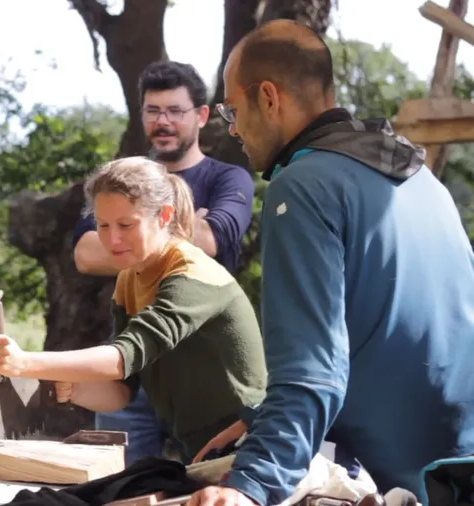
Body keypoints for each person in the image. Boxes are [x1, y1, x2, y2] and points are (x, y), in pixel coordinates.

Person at [187, 19, 474, 506]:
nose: (232, 129)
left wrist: (251, 483)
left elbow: (313, 371)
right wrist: (263, 418)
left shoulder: (302, 186)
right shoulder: (423, 181)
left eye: (232, 110)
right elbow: (387, 331)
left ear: (269, 98)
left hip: (414, 484)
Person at [0, 156, 268, 463]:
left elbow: (123, 356)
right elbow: (122, 390)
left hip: (254, 445)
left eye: (126, 225)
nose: (112, 239)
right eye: (103, 225)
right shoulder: (130, 279)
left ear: (164, 216)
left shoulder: (192, 274)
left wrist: (24, 362)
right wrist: (74, 388)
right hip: (204, 450)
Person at [71, 60, 256, 466]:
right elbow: (84, 253)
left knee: (210, 480)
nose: (163, 121)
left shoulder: (229, 178)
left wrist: (142, 242)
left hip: (202, 373)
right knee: (120, 483)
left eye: (175, 110)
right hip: (133, 370)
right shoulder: (121, 179)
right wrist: (178, 230)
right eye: (153, 111)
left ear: (202, 116)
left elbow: (211, 242)